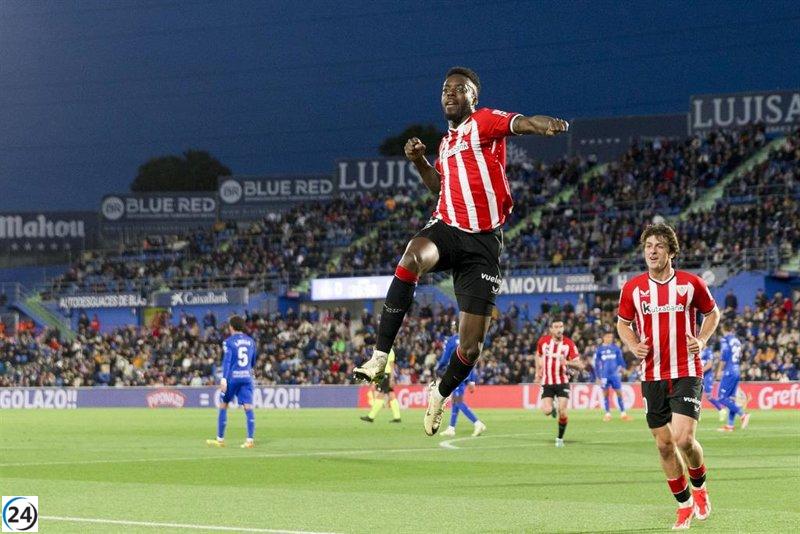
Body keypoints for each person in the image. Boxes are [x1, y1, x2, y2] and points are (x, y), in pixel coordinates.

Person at [353, 66, 569, 436]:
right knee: (412, 257)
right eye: (445, 89)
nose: (450, 93)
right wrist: (420, 162)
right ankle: (378, 356)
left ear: (474, 97)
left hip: (483, 242)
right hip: (448, 227)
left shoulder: (484, 123)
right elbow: (441, 189)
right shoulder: (446, 143)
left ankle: (440, 393)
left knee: (470, 347)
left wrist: (542, 126)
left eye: (459, 89)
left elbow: (520, 123)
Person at [617, 223, 721, 530]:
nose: (652, 251)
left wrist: (701, 340)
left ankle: (700, 488)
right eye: (648, 246)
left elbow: (712, 314)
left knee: (683, 438)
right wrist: (633, 343)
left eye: (659, 245)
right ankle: (684, 504)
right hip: (652, 374)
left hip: (687, 370)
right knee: (664, 445)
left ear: (671, 251)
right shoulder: (633, 289)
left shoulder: (691, 284)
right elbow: (623, 323)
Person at [206, 315, 257, 449]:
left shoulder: (228, 342)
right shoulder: (251, 341)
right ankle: (250, 440)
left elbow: (227, 360)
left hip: (233, 378)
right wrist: (249, 371)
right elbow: (253, 361)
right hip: (246, 377)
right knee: (248, 407)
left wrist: (223, 378)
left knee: (223, 405)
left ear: (231, 327)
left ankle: (220, 439)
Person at [535, 320, 582, 447]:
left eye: (561, 326)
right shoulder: (543, 342)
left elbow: (579, 365)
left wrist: (567, 362)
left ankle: (560, 439)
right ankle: (552, 408)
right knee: (547, 411)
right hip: (547, 382)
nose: (559, 329)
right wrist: (537, 371)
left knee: (563, 411)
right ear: (551, 329)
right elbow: (538, 355)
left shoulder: (569, 344)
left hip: (562, 382)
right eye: (556, 327)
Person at [436, 333, 486, 437]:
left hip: (455, 374)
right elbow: (472, 360)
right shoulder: (469, 339)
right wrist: (472, 380)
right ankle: (451, 428)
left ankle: (477, 423)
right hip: (465, 374)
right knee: (455, 402)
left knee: (458, 401)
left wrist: (439, 369)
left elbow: (445, 359)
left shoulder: (451, 340)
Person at [711, 323, 750, 432]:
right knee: (731, 399)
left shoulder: (725, 339)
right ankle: (730, 425)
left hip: (729, 370)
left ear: (723, 329)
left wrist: (719, 370)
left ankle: (743, 414)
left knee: (722, 397)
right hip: (737, 369)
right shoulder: (737, 340)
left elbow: (724, 355)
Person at [594, 331, 631, 421]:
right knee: (605, 394)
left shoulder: (616, 348)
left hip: (615, 375)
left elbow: (620, 361)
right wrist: (597, 376)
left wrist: (623, 368)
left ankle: (623, 413)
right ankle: (607, 414)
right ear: (604, 338)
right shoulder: (599, 350)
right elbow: (596, 364)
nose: (609, 339)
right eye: (608, 337)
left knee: (619, 393)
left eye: (611, 337)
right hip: (604, 375)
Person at [360, 349, 402, 423]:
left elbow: (392, 365)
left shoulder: (389, 351)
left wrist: (392, 378)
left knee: (380, 395)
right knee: (391, 395)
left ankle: (371, 416)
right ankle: (397, 417)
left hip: (386, 375)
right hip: (385, 375)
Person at [700, 342, 726, 422]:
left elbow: (709, 365)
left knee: (708, 396)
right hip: (699, 376)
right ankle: (697, 414)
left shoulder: (708, 351)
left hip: (707, 376)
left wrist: (700, 371)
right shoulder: (698, 351)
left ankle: (721, 410)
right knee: (697, 395)